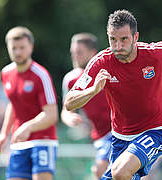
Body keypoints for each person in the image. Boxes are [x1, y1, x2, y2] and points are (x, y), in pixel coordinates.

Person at [64, 10, 162, 180]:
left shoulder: (153, 54)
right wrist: (93, 89)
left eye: (124, 39)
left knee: (120, 172)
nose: (118, 46)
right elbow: (69, 103)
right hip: (120, 135)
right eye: (113, 40)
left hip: (156, 129)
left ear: (136, 37)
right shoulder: (101, 62)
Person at [0, 26, 59, 180]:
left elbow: (52, 114)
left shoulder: (41, 74)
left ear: (31, 47)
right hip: (19, 142)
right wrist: (3, 134)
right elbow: (13, 105)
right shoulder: (6, 73)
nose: (18, 52)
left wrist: (28, 127)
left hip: (43, 140)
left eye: (22, 47)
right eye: (13, 48)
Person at [61, 33, 112, 179]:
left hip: (119, 131)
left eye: (79, 53)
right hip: (99, 136)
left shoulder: (106, 72)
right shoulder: (71, 80)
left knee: (99, 170)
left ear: (92, 53)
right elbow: (66, 110)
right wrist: (70, 117)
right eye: (73, 53)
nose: (74, 56)